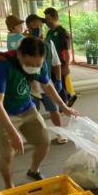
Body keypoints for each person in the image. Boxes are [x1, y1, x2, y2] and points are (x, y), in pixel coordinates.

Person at [0, 35, 78, 188]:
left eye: (38, 64)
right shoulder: (3, 66)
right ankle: (9, 185)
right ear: (20, 54)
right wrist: (12, 132)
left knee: (44, 141)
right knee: (8, 154)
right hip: (3, 112)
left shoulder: (39, 64)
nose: (34, 67)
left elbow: (47, 86)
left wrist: (64, 106)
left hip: (26, 107)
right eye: (30, 63)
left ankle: (33, 170)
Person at [25, 13, 68, 145]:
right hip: (30, 87)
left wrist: (59, 80)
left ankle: (60, 133)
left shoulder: (49, 43)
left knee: (54, 110)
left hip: (46, 85)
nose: (38, 28)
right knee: (33, 114)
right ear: (28, 28)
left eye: (39, 25)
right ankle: (36, 136)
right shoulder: (23, 45)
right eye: (34, 27)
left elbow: (56, 63)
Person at [44, 7, 78, 106]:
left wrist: (66, 66)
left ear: (55, 18)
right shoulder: (50, 32)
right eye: (46, 20)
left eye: (49, 19)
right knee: (57, 84)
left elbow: (67, 51)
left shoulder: (62, 32)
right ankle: (69, 97)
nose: (47, 22)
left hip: (60, 63)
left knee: (61, 84)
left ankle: (65, 103)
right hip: (51, 63)